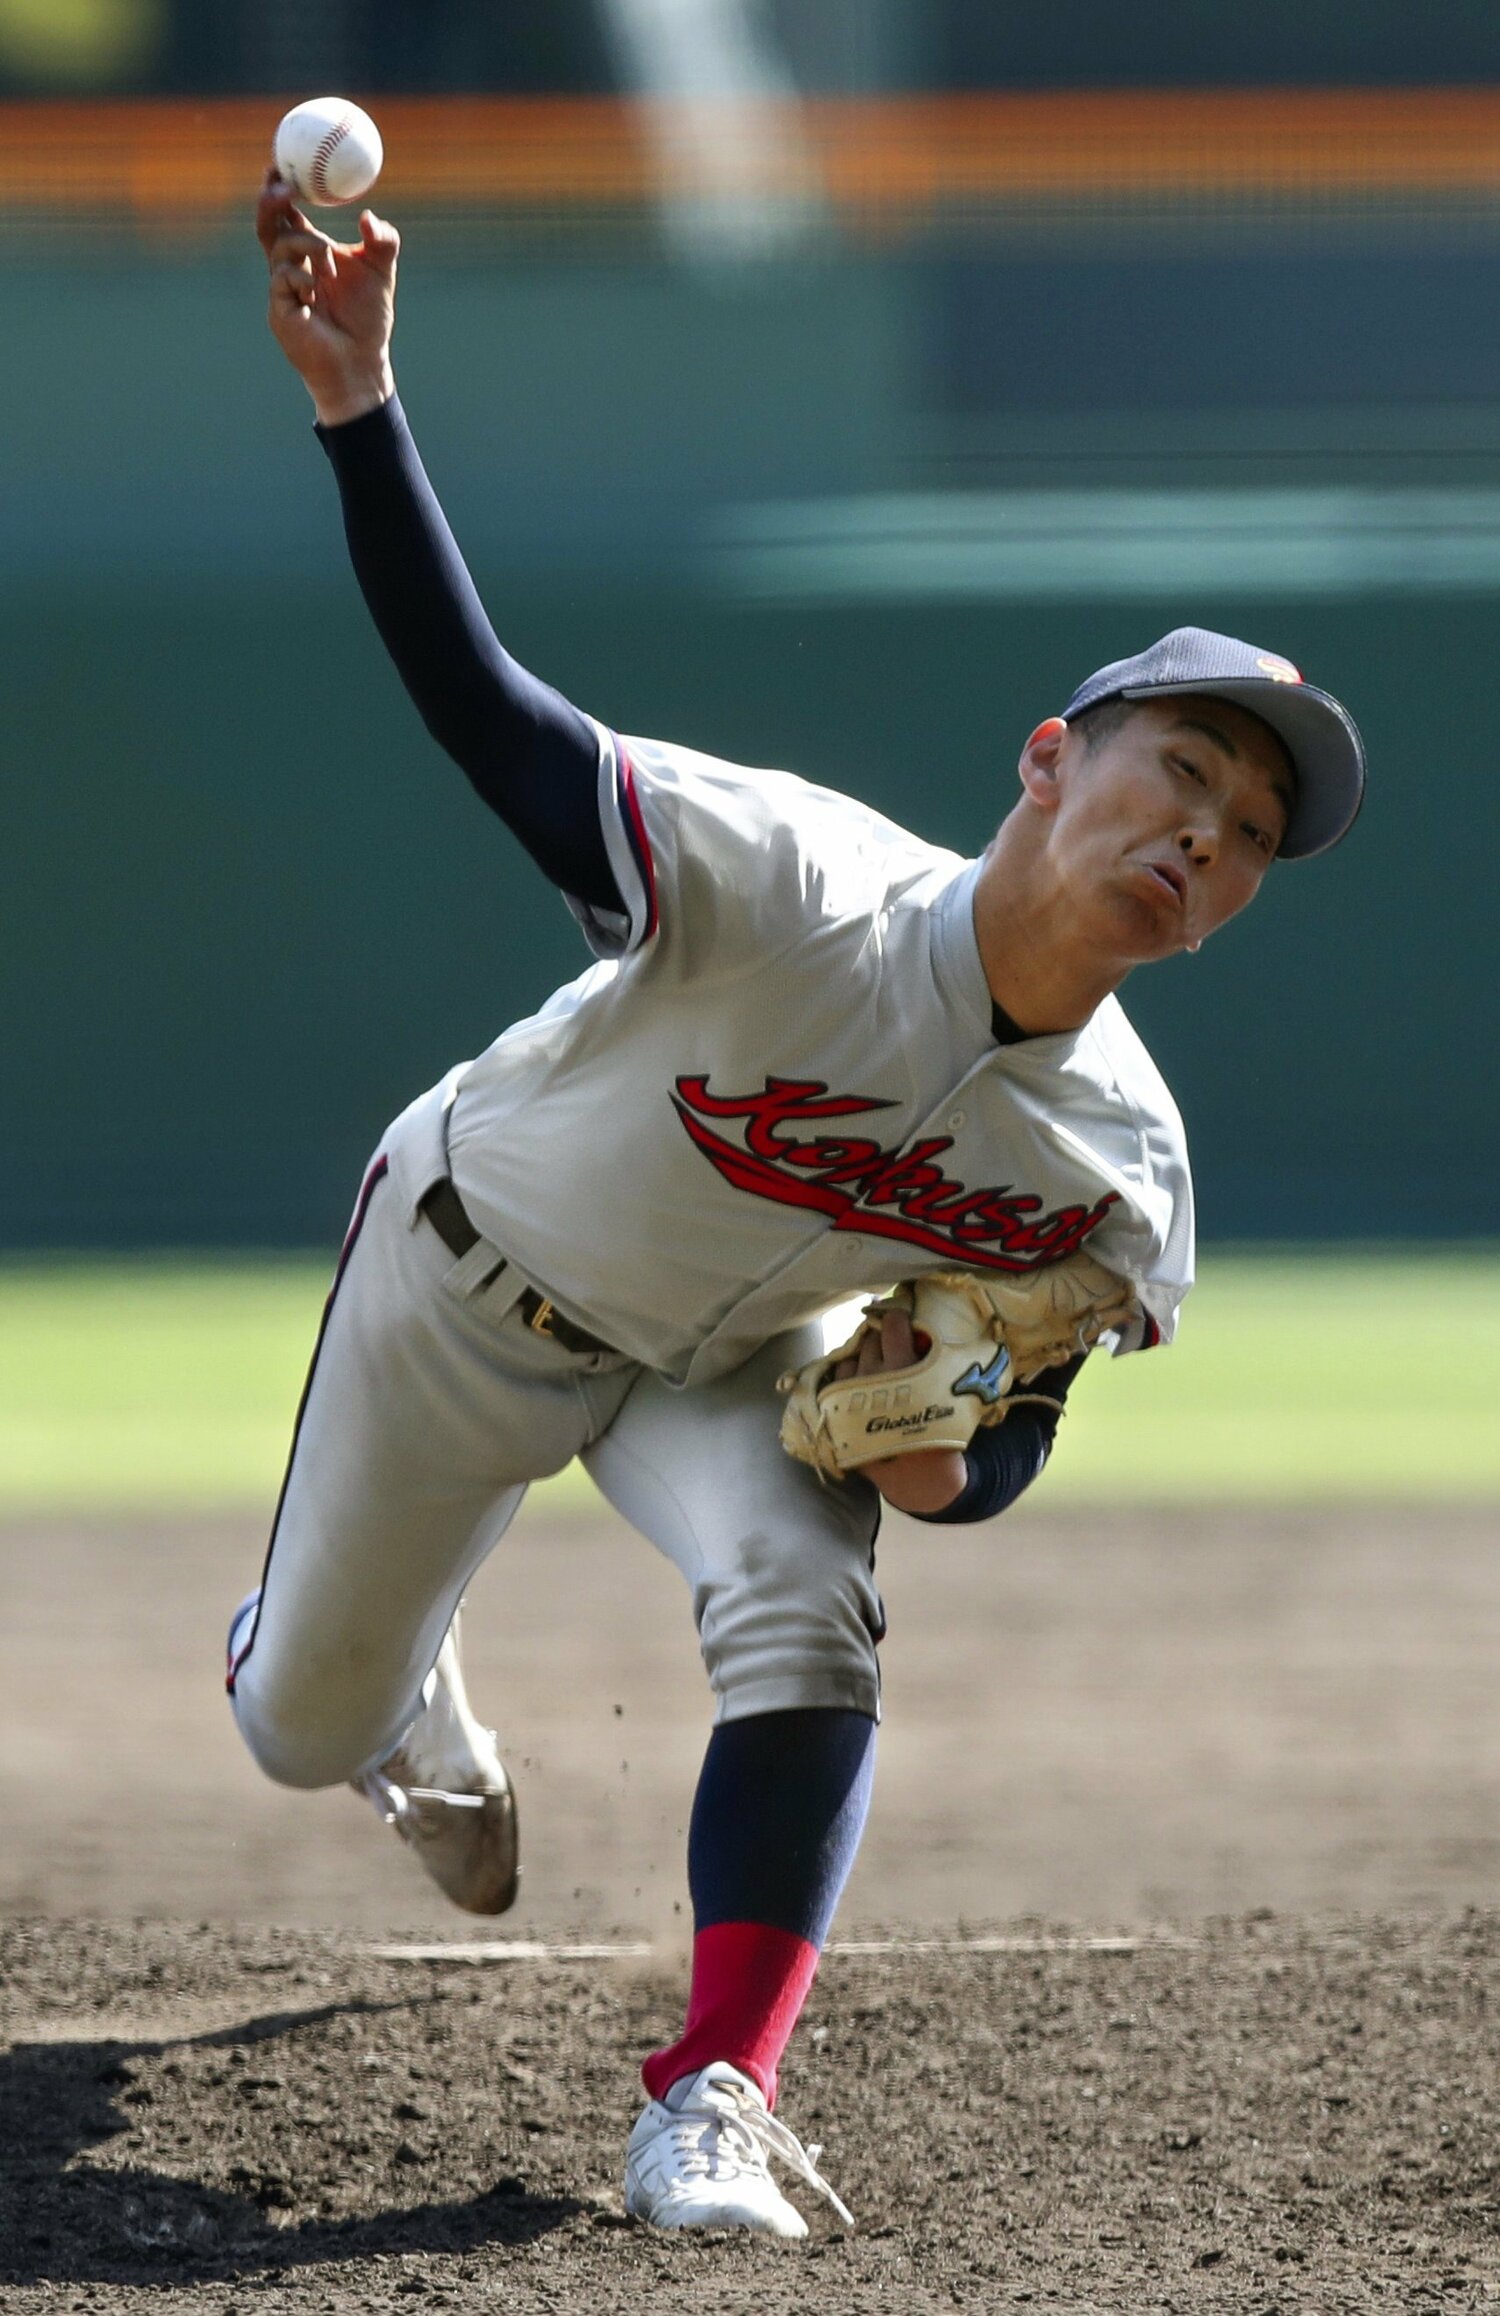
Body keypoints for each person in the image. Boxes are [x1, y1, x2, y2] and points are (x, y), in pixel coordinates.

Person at [227, 175, 1365, 2240]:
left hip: (723, 1370)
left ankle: (714, 2100)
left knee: (815, 1599)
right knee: (296, 1727)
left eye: (1250, 829)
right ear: (1049, 762)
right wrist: (360, 404)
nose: (1203, 832)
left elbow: (1004, 1451)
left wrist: (953, 1454)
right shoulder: (781, 874)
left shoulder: (1119, 1159)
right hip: (469, 1279)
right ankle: (408, 1711)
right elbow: (489, 717)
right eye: (1181, 770)